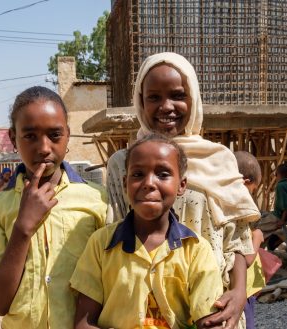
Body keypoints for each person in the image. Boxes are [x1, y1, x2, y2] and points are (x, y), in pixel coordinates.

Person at [106, 52, 260, 329]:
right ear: (140, 103)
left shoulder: (219, 160)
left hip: (212, 308)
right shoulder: (123, 164)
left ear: (194, 99)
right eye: (153, 97)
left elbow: (237, 239)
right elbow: (114, 231)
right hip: (145, 310)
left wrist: (238, 293)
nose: (166, 106)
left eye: (178, 95)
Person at [0, 86, 108, 329]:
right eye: (30, 136)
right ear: (13, 138)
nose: (44, 147)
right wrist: (23, 228)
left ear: (68, 135)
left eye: (55, 135)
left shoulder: (97, 200)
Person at [72, 134, 223, 329]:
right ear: (126, 183)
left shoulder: (196, 250)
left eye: (163, 174)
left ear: (181, 186)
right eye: (138, 174)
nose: (149, 183)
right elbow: (84, 323)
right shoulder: (101, 244)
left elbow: (209, 323)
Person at [234, 151, 266, 329]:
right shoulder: (241, 211)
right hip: (242, 288)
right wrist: (257, 238)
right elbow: (246, 259)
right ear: (245, 183)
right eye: (253, 190)